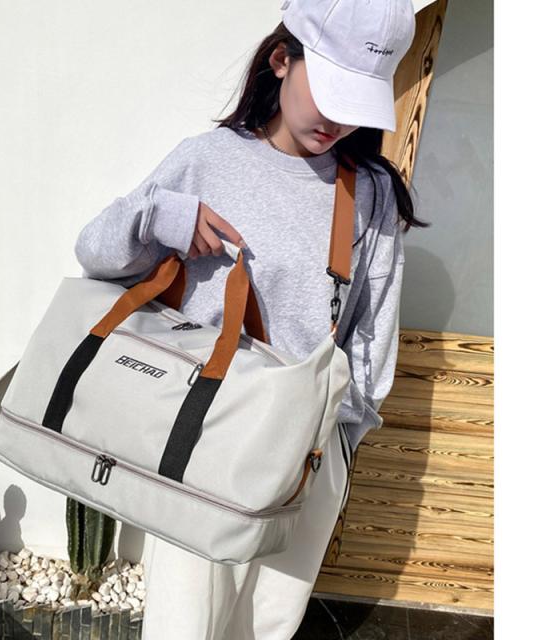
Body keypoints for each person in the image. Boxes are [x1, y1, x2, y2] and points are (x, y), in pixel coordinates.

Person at [73, 1, 429, 637]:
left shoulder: (370, 192)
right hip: (204, 432)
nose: (339, 120)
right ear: (281, 59)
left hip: (307, 446)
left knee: (269, 625)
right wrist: (157, 217)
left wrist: (339, 443)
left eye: (356, 102)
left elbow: (373, 333)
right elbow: (94, 256)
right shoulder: (206, 160)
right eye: (330, 92)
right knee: (186, 624)